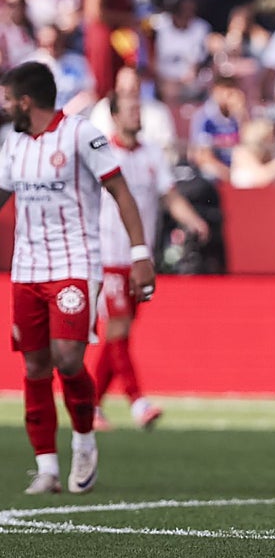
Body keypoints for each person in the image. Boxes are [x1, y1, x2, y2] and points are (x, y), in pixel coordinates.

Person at [0, 61, 156, 494]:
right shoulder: (12, 144)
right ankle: (47, 466)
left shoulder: (81, 134)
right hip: (27, 269)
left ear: (26, 101)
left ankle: (85, 440)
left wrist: (140, 252)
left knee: (68, 359)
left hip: (74, 265)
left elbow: (120, 191)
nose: (5, 105)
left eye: (8, 98)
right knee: (34, 366)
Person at [92, 93, 209, 432]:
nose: (136, 115)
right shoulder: (102, 153)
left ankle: (90, 405)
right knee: (118, 327)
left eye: (138, 110)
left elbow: (168, 195)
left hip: (139, 259)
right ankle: (137, 401)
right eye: (130, 110)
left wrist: (192, 220)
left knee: (121, 334)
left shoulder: (151, 152)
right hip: (108, 254)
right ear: (114, 117)